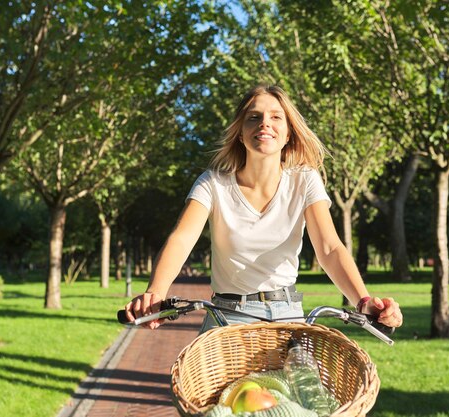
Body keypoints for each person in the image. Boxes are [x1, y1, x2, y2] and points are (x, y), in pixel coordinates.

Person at [124, 84, 403, 331]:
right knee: (205, 390)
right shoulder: (213, 184)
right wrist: (155, 293)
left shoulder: (304, 180)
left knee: (305, 389)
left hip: (287, 316)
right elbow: (182, 238)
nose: (264, 124)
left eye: (275, 117)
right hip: (225, 317)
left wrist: (364, 301)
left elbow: (329, 248)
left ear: (288, 135)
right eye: (253, 118)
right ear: (240, 134)